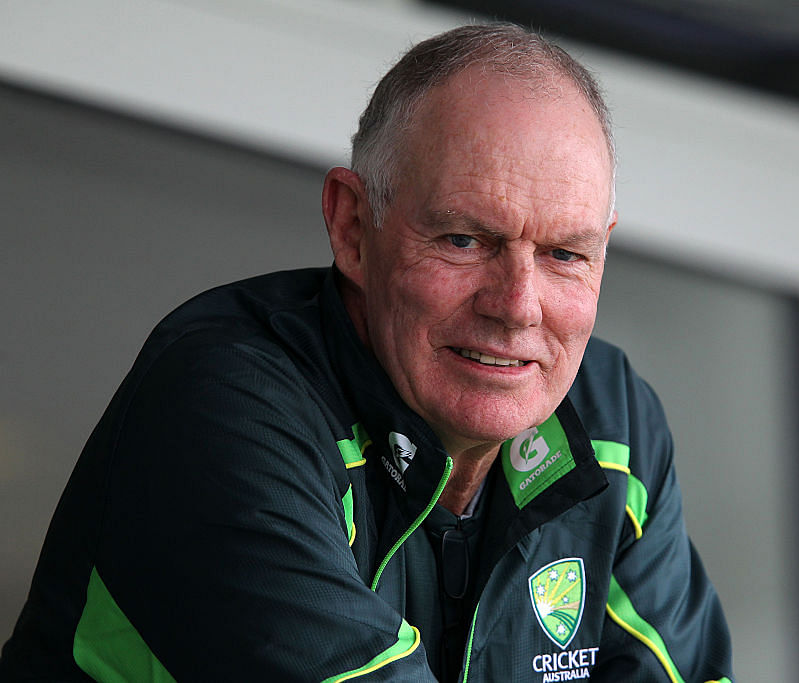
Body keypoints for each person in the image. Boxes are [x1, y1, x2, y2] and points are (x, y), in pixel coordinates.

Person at [0, 23, 732, 683]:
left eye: (565, 253)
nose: (517, 305)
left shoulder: (614, 425)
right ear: (354, 226)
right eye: (463, 239)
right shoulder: (224, 408)